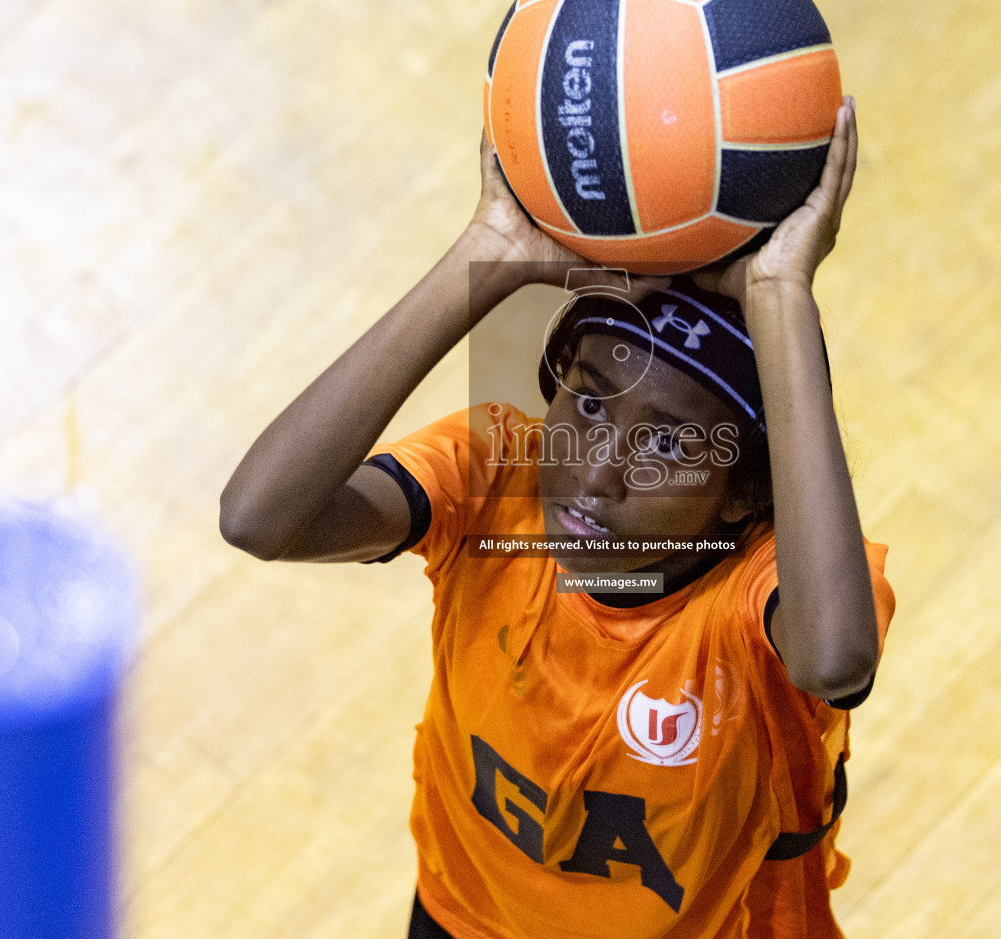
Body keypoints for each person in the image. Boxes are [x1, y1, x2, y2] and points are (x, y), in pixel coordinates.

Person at [220, 96, 895, 938]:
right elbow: (257, 519)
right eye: (590, 402)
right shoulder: (495, 474)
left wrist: (780, 293)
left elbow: (833, 660)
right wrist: (489, 252)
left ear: (749, 493)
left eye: (670, 443)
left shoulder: (765, 590)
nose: (597, 471)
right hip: (463, 917)